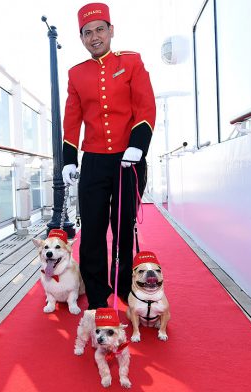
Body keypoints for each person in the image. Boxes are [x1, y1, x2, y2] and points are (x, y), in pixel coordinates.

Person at [62, 2, 155, 310]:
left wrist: (138, 145)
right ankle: (98, 293)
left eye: (100, 29)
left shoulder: (131, 62)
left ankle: (124, 284)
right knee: (91, 227)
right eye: (87, 33)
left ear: (111, 31)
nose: (94, 37)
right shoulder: (76, 74)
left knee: (123, 225)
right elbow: (72, 119)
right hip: (94, 161)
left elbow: (145, 106)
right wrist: (68, 159)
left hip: (128, 159)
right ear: (82, 38)